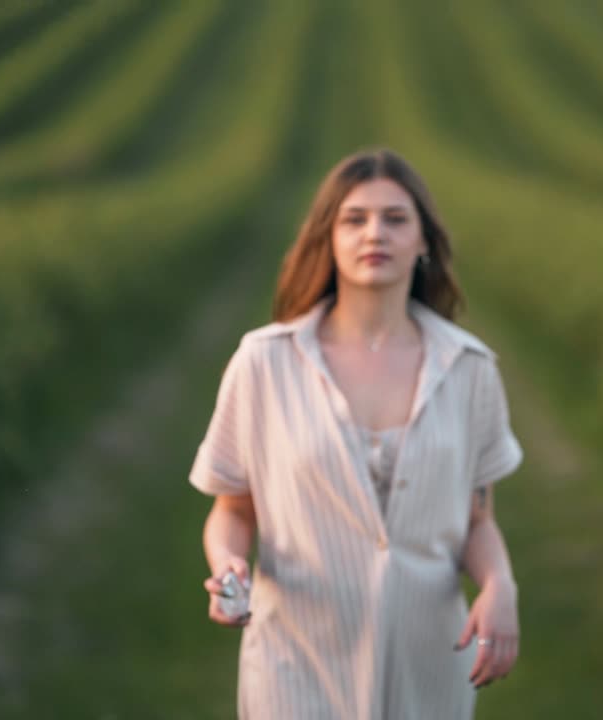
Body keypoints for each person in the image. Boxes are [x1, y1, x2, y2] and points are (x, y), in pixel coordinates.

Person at [188, 147, 524, 719]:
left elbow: (476, 519)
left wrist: (501, 588)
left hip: (429, 663)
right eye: (355, 218)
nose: (376, 232)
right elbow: (233, 508)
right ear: (329, 238)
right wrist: (227, 565)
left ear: (423, 243)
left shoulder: (469, 369)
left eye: (396, 219)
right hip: (297, 662)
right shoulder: (264, 363)